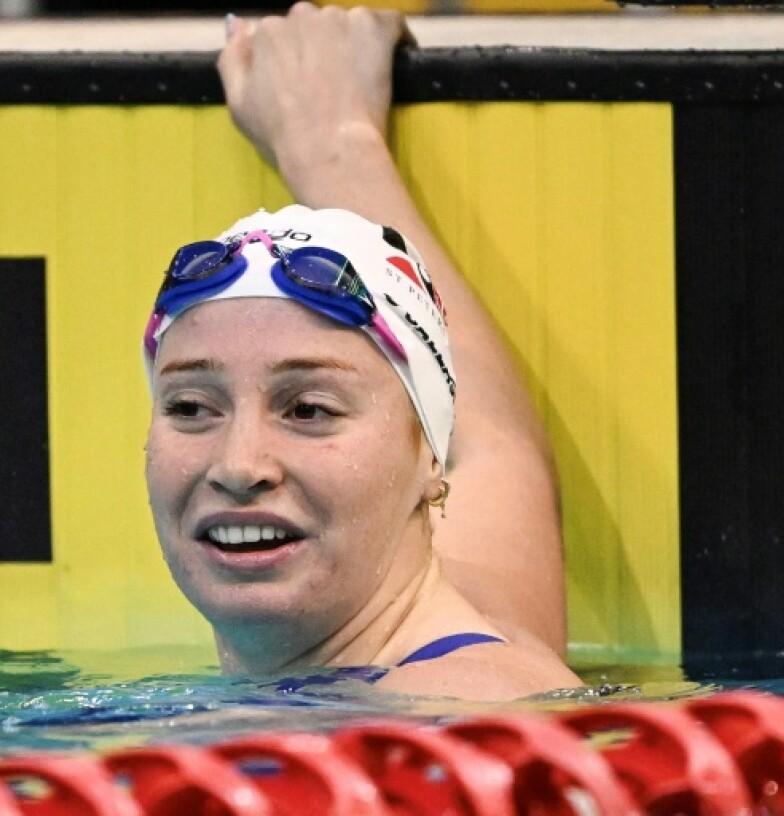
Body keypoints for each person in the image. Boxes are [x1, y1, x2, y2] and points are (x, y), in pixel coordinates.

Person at [143, 2, 579, 700]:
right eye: (192, 406)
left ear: (426, 459)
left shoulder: (456, 713)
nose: (238, 465)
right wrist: (332, 144)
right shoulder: (477, 625)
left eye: (309, 410)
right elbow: (497, 445)